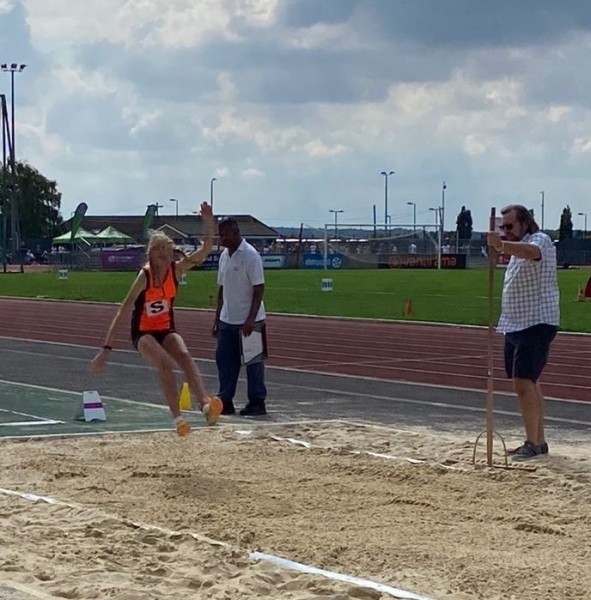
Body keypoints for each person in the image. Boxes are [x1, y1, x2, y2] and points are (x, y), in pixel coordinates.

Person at [91, 202, 222, 436]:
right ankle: (178, 419)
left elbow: (205, 250)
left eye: (166, 249)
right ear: (151, 253)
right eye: (158, 249)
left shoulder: (176, 270)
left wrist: (208, 223)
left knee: (184, 355)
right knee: (165, 363)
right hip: (143, 332)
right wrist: (106, 349)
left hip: (165, 328)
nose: (163, 253)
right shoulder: (145, 276)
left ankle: (205, 405)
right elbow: (123, 311)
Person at [487, 204, 559, 460]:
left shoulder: (540, 240)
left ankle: (532, 442)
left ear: (525, 223)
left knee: (524, 381)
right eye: (502, 227)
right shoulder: (515, 250)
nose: (506, 231)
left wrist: (501, 246)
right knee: (529, 382)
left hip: (535, 322)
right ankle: (538, 441)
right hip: (514, 323)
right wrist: (501, 248)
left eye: (510, 226)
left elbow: (532, 252)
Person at [212, 216, 267, 416]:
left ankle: (257, 402)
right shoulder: (224, 256)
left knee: (253, 363)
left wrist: (251, 319)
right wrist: (217, 317)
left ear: (236, 231)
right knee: (225, 362)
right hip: (227, 319)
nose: (222, 239)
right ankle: (225, 400)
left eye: (225, 234)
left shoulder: (250, 255)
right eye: (220, 235)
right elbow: (222, 289)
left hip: (250, 320)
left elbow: (259, 289)